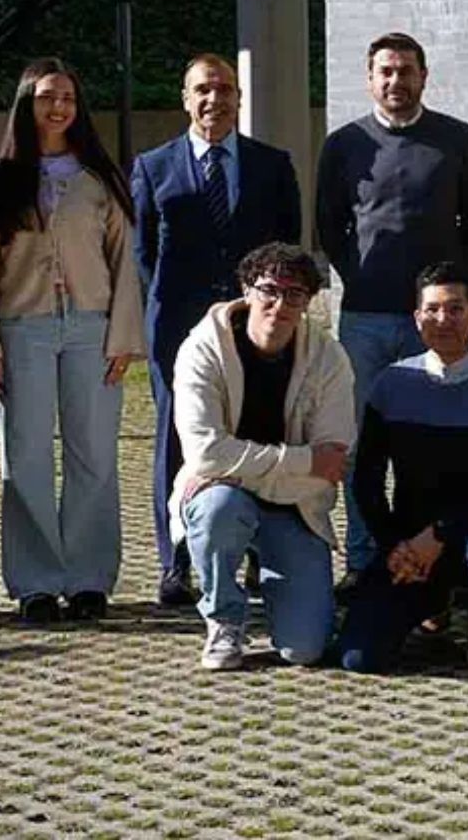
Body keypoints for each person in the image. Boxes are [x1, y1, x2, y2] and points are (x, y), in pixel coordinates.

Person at [0, 58, 144, 624]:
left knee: (94, 455)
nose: (59, 107)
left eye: (67, 97)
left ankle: (89, 579)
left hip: (92, 329)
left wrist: (122, 336)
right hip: (23, 330)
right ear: (27, 103)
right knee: (25, 457)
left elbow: (125, 260)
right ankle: (36, 583)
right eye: (47, 96)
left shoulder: (99, 178)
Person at [318, 32, 468, 587]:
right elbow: (329, 226)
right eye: (386, 71)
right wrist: (361, 276)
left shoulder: (457, 139)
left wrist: (442, 290)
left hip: (434, 323)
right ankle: (364, 560)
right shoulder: (344, 144)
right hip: (365, 319)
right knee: (361, 444)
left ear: (424, 76)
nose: (396, 81)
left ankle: (430, 561)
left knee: (434, 441)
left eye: (406, 71)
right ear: (370, 79)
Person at [132, 54, 302, 605]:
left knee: (257, 430)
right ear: (186, 98)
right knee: (177, 439)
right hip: (177, 329)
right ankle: (176, 563)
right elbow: (143, 253)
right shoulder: (152, 167)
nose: (215, 100)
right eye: (203, 90)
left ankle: (255, 555)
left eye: (225, 89)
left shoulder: (272, 165)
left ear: (239, 98)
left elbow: (289, 250)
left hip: (255, 327)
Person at [337, 262, 468, 673]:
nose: (443, 320)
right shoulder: (391, 385)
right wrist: (395, 546)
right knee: (359, 658)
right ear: (416, 317)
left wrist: (441, 534)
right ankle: (433, 604)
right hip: (411, 548)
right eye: (432, 309)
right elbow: (366, 479)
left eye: (455, 309)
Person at [169, 243, 352, 670]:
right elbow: (205, 453)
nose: (280, 304)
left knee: (305, 650)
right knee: (219, 510)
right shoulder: (201, 349)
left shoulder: (329, 358)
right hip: (225, 497)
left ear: (308, 302)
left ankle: (278, 586)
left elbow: (333, 461)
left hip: (295, 506)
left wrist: (235, 468)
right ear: (247, 289)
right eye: (269, 289)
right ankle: (224, 618)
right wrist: (303, 461)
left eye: (295, 294)